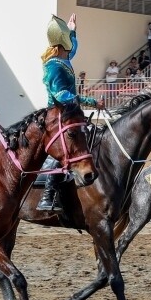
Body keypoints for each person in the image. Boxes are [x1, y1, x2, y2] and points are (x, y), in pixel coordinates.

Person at [38, 14, 102, 211]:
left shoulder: (64, 59)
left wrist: (73, 30)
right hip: (57, 114)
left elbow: (73, 50)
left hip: (71, 113)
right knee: (61, 149)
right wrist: (90, 101)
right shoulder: (52, 66)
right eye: (68, 39)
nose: (71, 47)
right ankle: (47, 195)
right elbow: (62, 94)